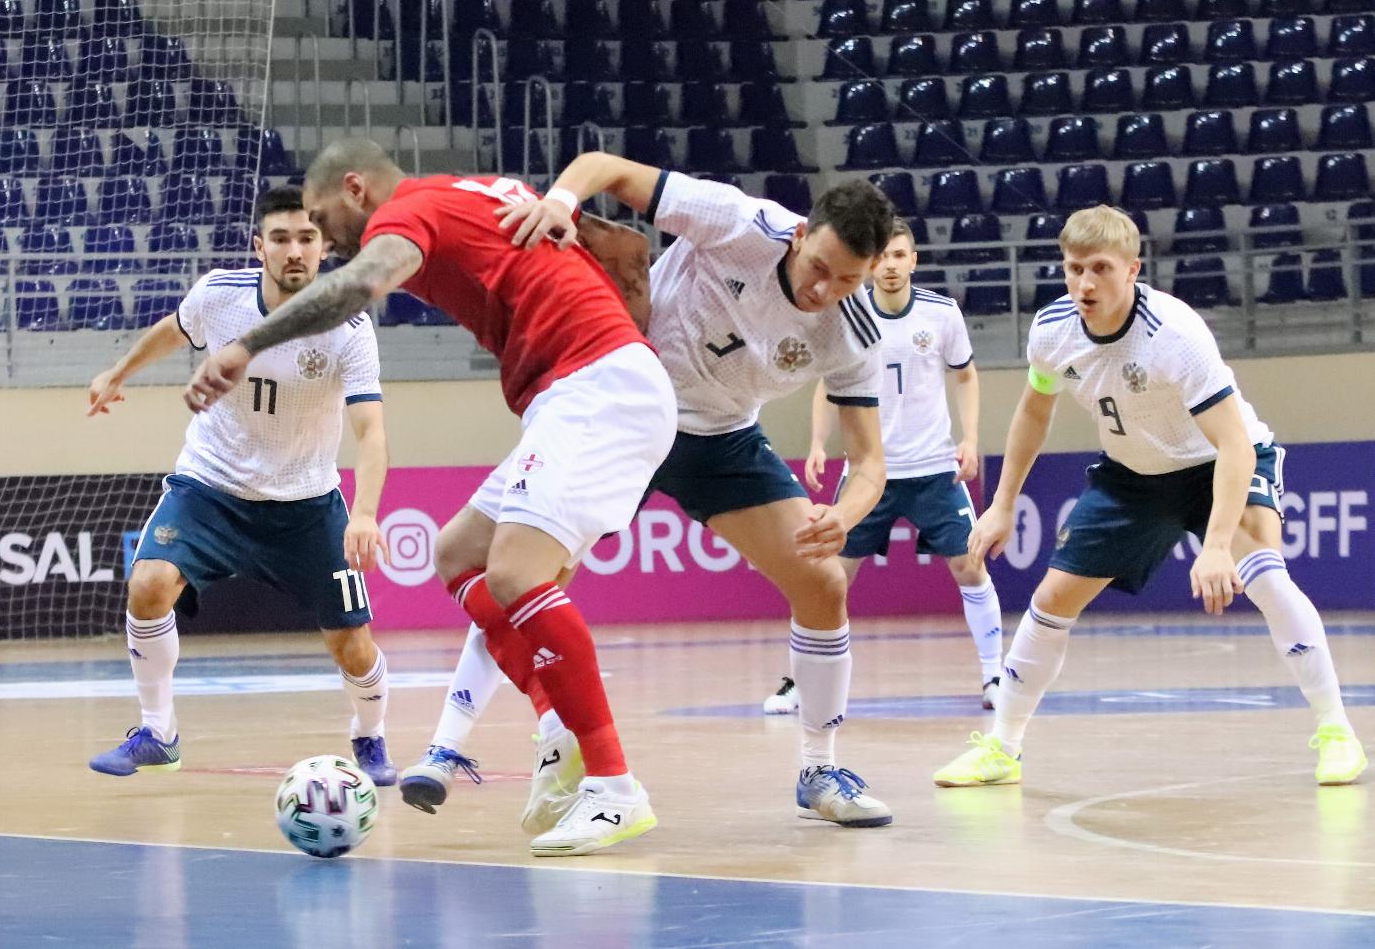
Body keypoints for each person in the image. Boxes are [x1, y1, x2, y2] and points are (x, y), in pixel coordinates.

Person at [184, 140, 678, 858]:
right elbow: (618, 249)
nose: (325, 238)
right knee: (458, 555)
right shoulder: (467, 191)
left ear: (356, 188)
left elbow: (359, 285)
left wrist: (244, 346)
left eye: (323, 218)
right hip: (580, 387)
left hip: (597, 385)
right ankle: (559, 726)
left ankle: (613, 786)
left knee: (516, 573)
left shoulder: (408, 212)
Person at [403, 153, 902, 828]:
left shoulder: (854, 328)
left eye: (848, 280)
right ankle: (449, 745)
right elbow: (602, 167)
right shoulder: (739, 223)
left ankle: (819, 770)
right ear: (798, 235)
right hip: (625, 403)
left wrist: (844, 514)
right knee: (522, 571)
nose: (824, 290)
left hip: (721, 437)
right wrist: (560, 203)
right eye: (820, 268)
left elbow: (869, 464)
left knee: (823, 583)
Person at [932, 205, 1367, 788]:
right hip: (1135, 475)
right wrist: (1003, 502)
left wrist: (1216, 546)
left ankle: (1337, 732)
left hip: (1218, 463)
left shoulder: (1175, 334)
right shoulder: (1053, 330)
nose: (1085, 284)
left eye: (1100, 269)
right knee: (1052, 599)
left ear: (1133, 269)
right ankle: (1001, 750)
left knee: (1264, 574)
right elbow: (1034, 411)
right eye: (1074, 268)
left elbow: (1235, 446)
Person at [86, 186, 398, 786]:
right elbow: (175, 329)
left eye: (306, 238)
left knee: (352, 646)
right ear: (260, 247)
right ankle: (157, 733)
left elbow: (371, 429)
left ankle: (371, 735)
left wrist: (364, 513)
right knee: (148, 586)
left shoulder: (349, 326)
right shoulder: (220, 295)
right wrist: (118, 372)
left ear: (325, 247)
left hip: (305, 504)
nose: (294, 250)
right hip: (211, 486)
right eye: (280, 238)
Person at [764, 220, 1001, 717]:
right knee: (827, 577)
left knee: (970, 565)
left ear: (913, 260)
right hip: (868, 471)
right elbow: (827, 384)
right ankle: (799, 682)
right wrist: (817, 443)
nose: (890, 266)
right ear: (870, 265)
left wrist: (971, 438)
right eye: (882, 257)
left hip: (933, 468)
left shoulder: (942, 313)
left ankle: (995, 676)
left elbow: (966, 375)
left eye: (899, 255)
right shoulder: (848, 313)